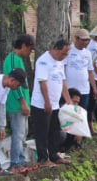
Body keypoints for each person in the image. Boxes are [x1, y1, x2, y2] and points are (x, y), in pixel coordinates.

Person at [31, 39, 72, 167]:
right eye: (63, 53)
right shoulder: (43, 61)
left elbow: (63, 81)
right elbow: (42, 82)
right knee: (42, 132)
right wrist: (47, 102)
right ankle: (43, 158)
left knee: (55, 131)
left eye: (66, 54)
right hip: (42, 104)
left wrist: (68, 99)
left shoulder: (60, 62)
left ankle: (54, 155)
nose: (64, 57)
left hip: (55, 104)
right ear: (55, 49)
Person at [3, 34, 34, 172]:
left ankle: (20, 159)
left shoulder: (16, 59)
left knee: (23, 132)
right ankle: (16, 162)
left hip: (21, 104)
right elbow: (14, 83)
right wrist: (22, 102)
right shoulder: (13, 60)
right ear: (24, 46)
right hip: (16, 105)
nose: (29, 53)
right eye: (30, 49)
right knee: (18, 133)